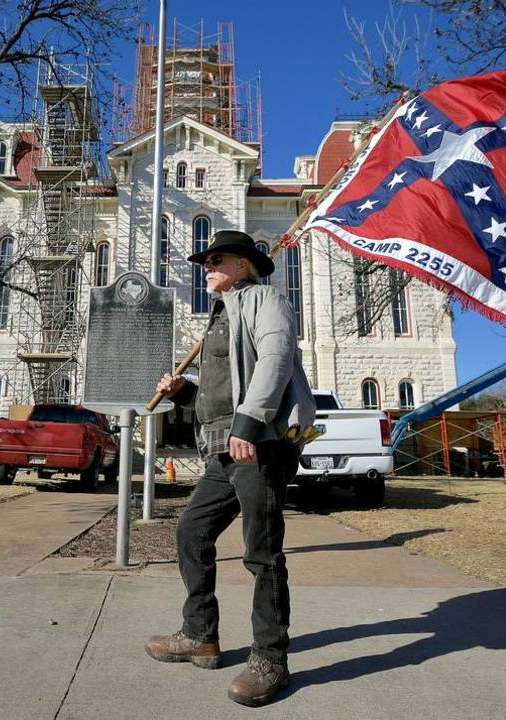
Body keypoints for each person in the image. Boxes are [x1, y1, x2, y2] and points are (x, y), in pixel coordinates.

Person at [145, 229, 316, 707]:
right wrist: (185, 395)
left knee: (261, 553)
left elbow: (276, 362)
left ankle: (271, 658)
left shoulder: (267, 300)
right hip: (226, 446)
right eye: (206, 261)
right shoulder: (222, 314)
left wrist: (249, 423)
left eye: (216, 258)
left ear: (243, 264)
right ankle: (199, 634)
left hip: (258, 444)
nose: (207, 267)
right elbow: (220, 396)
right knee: (191, 530)